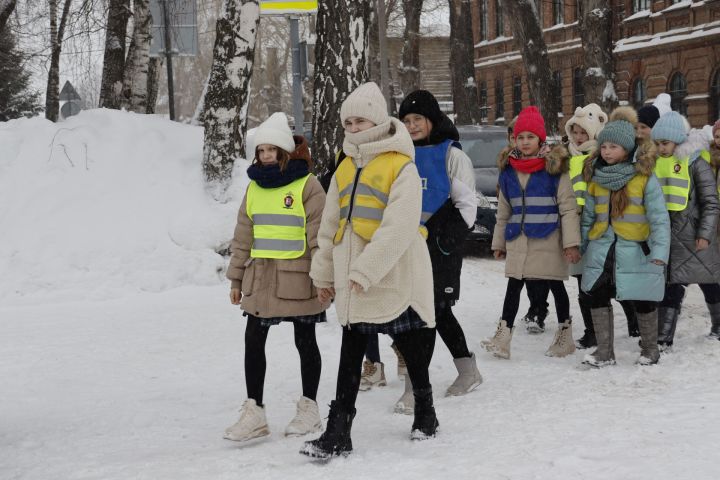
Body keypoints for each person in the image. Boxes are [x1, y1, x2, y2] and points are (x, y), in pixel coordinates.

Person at [301, 82, 437, 460]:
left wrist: (367, 269)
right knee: (350, 350)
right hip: (352, 278)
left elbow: (400, 226)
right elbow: (330, 227)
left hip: (391, 273)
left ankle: (425, 412)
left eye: (360, 120)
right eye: (348, 122)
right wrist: (324, 276)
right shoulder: (345, 167)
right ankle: (338, 431)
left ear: (377, 121)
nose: (354, 127)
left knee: (409, 345)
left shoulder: (400, 165)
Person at [224, 112, 329, 441]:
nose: (266, 156)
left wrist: (324, 278)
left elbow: (320, 237)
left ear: (285, 151)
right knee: (253, 340)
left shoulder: (307, 185)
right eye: (261, 151)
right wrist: (236, 280)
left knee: (305, 342)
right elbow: (243, 237)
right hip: (261, 280)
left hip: (300, 278)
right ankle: (255, 411)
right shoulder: (254, 188)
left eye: (272, 150)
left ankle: (309, 408)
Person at [392, 89, 482, 415]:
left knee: (427, 315)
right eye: (407, 120)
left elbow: (467, 208)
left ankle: (416, 389)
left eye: (418, 119)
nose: (412, 125)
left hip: (440, 250)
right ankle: (468, 370)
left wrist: (443, 242)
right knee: (434, 314)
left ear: (432, 119)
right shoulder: (400, 156)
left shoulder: (452, 156)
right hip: (406, 249)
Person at [482, 106, 581, 359]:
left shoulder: (555, 169)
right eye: (520, 137)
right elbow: (503, 210)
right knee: (513, 287)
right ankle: (503, 337)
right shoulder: (508, 171)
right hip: (518, 239)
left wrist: (571, 243)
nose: (524, 142)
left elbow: (568, 208)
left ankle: (564, 335)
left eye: (530, 137)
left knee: (555, 286)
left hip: (548, 238)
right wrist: (499, 242)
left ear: (540, 139)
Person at [580, 108, 670, 367]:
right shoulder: (595, 178)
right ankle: (604, 352)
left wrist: (660, 252)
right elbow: (588, 217)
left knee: (642, 299)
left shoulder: (643, 178)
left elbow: (659, 219)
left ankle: (650, 349)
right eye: (604, 146)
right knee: (596, 295)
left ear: (627, 148)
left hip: (635, 249)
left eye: (613, 146)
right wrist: (580, 246)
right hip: (602, 248)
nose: (607, 151)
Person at [651, 112, 720, 349]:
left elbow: (711, 202)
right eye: (657, 143)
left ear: (678, 141)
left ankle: (719, 325)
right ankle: (663, 337)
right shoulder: (655, 163)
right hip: (668, 235)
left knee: (709, 283)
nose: (661, 148)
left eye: (665, 143)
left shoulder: (696, 163)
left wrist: (705, 234)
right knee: (672, 284)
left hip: (694, 236)